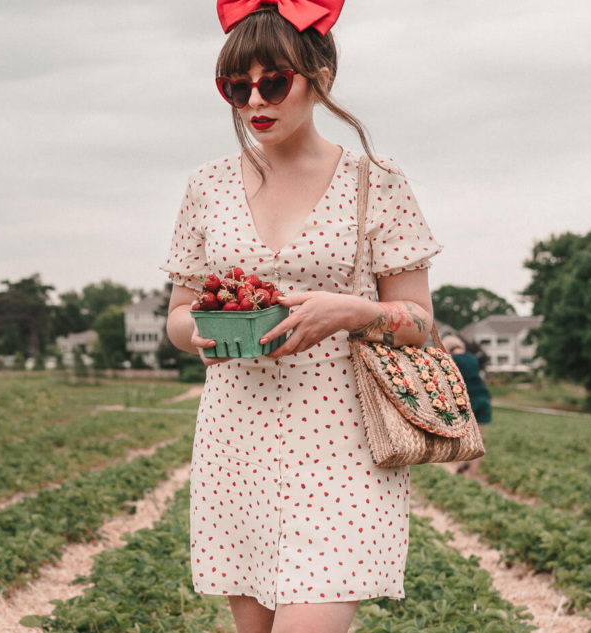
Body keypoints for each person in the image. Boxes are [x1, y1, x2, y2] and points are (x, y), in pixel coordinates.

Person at [161, 3, 444, 632]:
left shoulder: (378, 182)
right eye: (236, 86)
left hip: (342, 446)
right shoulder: (206, 186)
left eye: (273, 81)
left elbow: (421, 323)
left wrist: (349, 311)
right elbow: (179, 317)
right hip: (238, 440)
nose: (254, 100)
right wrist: (208, 331)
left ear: (318, 75)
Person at [441, 335, 491, 475]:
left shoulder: (451, 359)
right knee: (478, 440)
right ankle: (473, 474)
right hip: (483, 398)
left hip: (467, 399)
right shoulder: (472, 357)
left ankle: (459, 464)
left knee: (461, 436)